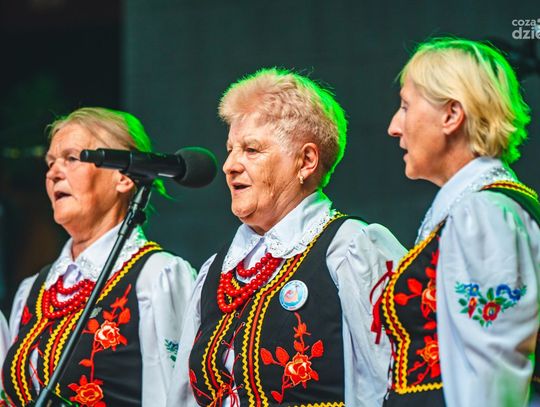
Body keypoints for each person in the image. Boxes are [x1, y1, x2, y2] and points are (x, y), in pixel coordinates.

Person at [166, 68, 406, 407]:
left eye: (251, 149)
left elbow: (392, 383)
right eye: (230, 149)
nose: (229, 165)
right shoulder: (216, 271)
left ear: (306, 161)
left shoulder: (349, 248)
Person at [381, 37, 540, 406]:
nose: (393, 126)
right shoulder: (479, 208)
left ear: (452, 115)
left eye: (405, 107)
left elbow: (493, 368)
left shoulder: (482, 214)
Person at [1, 107, 196, 407]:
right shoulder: (33, 290)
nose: (53, 173)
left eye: (72, 158)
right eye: (50, 162)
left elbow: (176, 398)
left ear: (124, 177)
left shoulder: (156, 276)